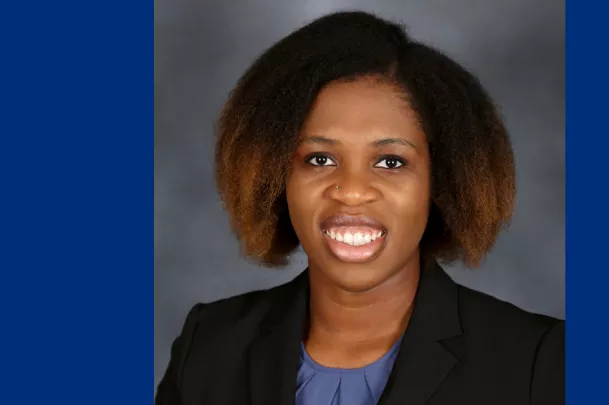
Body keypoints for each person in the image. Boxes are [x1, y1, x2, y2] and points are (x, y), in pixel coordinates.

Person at [156, 10, 564, 405]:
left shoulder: (537, 362)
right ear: (275, 175)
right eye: (319, 159)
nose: (351, 192)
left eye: (391, 162)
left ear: (441, 182)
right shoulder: (209, 347)